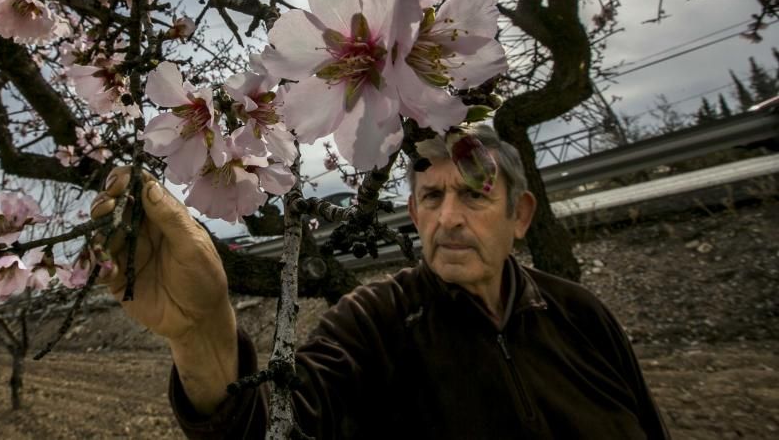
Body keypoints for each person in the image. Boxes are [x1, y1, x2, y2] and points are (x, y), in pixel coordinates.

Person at [92, 124, 670, 438]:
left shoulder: (581, 315)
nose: (449, 217)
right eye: (432, 197)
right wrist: (203, 334)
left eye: (474, 194)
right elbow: (272, 427)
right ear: (414, 217)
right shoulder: (374, 322)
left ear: (519, 216)